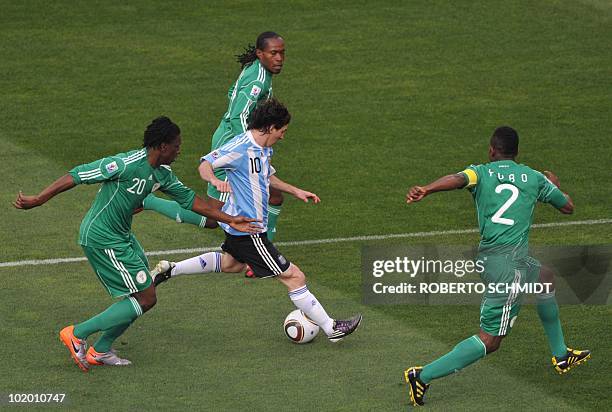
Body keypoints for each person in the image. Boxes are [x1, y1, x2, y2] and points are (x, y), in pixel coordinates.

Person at [13, 116, 260, 372]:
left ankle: (101, 350)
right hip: (102, 238)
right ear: (163, 146)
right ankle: (77, 333)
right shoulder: (125, 164)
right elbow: (77, 175)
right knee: (146, 297)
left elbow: (192, 202)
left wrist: (231, 217)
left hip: (122, 236)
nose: (179, 151)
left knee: (143, 291)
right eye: (176, 146)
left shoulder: (162, 174)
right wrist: (39, 199)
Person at [403, 126, 591, 406]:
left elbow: (457, 179)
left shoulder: (480, 172)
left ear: (492, 150)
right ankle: (423, 376)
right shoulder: (535, 178)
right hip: (508, 266)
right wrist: (554, 186)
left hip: (495, 258)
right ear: (517, 153)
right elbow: (568, 207)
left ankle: (561, 355)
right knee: (490, 340)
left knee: (544, 277)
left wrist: (427, 189)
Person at [151, 99, 363, 342]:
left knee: (232, 264)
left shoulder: (263, 148)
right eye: (282, 131)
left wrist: (295, 191)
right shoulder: (241, 147)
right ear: (270, 127)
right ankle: (332, 328)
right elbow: (205, 164)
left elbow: (266, 175)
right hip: (249, 230)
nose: (283, 137)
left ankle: (171, 270)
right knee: (294, 277)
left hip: (240, 228)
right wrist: (214, 181)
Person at [144, 32, 287, 255]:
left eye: (282, 53)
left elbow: (233, 93)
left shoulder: (259, 71)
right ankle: (149, 201)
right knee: (212, 217)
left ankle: (264, 250)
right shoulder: (258, 80)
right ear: (260, 54)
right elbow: (237, 116)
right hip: (231, 146)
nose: (279, 58)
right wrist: (250, 146)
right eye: (273, 53)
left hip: (237, 142)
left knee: (274, 195)